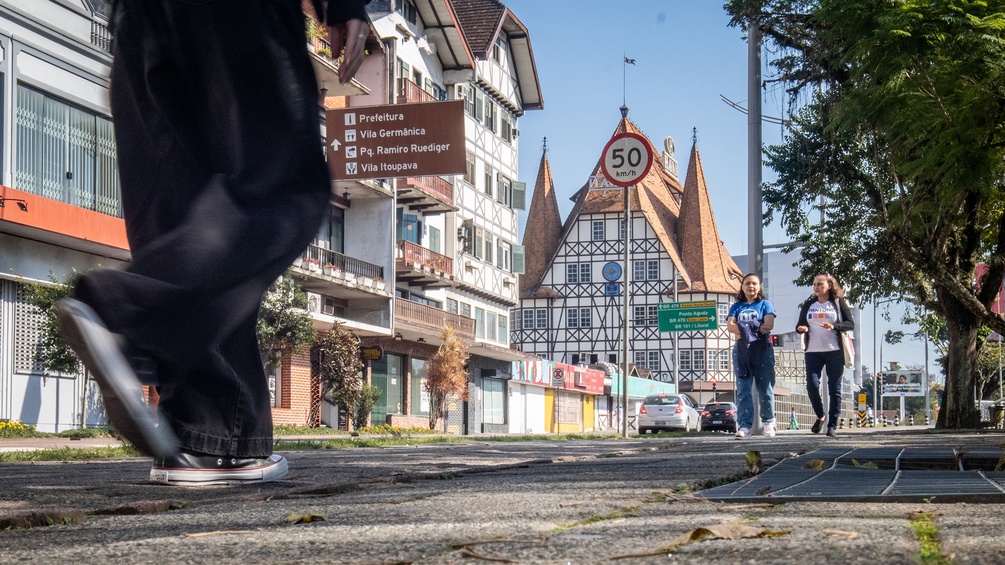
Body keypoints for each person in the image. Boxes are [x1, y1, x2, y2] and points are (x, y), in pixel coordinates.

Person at [55, 0, 371, 486]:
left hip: (137, 20)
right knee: (286, 188)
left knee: (187, 220)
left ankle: (211, 438)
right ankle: (127, 314)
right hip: (232, 16)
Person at [795, 273, 855, 437]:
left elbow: (850, 324)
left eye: (820, 284)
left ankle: (832, 425)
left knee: (834, 388)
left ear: (829, 285)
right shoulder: (809, 304)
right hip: (813, 351)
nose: (816, 287)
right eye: (814, 284)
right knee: (812, 385)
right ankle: (821, 416)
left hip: (834, 350)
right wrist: (802, 328)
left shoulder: (837, 303)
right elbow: (800, 324)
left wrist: (834, 326)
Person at [727, 273, 777, 439]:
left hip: (762, 350)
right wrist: (755, 327)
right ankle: (744, 426)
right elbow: (730, 326)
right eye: (747, 283)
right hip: (741, 351)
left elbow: (769, 324)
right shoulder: (736, 307)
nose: (751, 286)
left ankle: (769, 422)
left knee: (765, 389)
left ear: (759, 286)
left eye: (754, 283)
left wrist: (745, 329)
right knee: (743, 389)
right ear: (742, 287)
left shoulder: (765, 304)